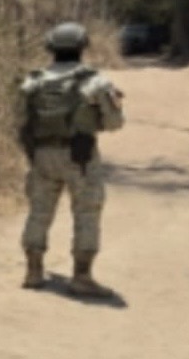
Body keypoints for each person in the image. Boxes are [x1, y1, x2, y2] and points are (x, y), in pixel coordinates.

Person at [16, 22, 124, 296]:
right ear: (82, 47)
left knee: (39, 212)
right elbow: (114, 124)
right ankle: (82, 277)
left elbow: (20, 121)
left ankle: (33, 271)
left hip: (41, 155)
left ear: (50, 48)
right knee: (87, 212)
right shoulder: (95, 82)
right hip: (81, 157)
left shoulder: (33, 81)